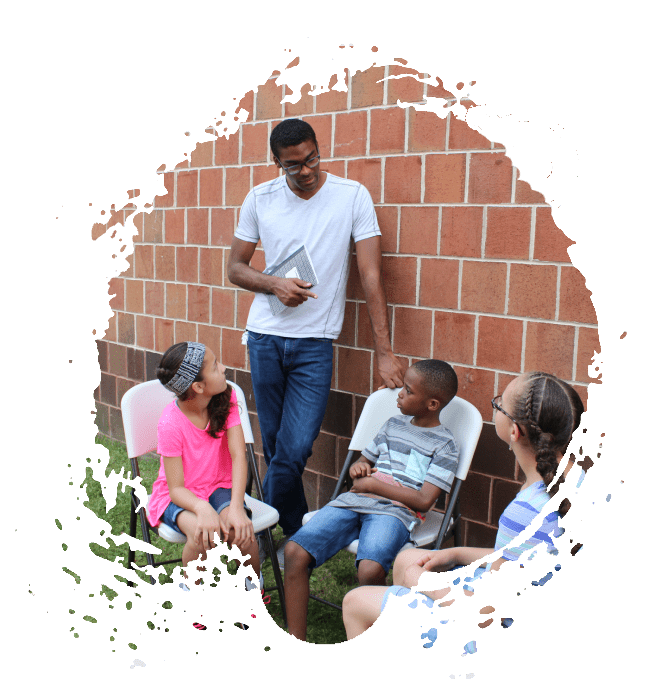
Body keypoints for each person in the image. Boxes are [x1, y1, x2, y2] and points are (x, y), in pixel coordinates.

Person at [227, 118, 406, 563]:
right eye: (293, 166)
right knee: (275, 446)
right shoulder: (260, 198)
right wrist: (273, 285)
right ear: (276, 163)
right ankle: (291, 537)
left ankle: (282, 537)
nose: (306, 171)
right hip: (265, 338)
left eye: (311, 159)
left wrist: (385, 351)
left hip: (314, 345)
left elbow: (371, 276)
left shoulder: (351, 196)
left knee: (295, 447)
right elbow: (234, 267)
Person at [342, 370, 585, 647]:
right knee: (406, 559)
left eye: (498, 405)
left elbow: (485, 612)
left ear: (514, 431)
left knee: (355, 602)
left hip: (490, 634)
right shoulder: (574, 482)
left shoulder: (527, 511)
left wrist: (426, 585)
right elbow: (523, 559)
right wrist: (455, 552)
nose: (495, 408)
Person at [283, 359, 460, 641]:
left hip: (396, 512)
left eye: (408, 391)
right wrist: (359, 467)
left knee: (370, 569)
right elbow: (365, 460)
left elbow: (425, 500)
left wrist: (374, 486)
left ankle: (379, 640)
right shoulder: (392, 425)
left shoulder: (445, 445)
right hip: (355, 501)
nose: (400, 394)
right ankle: (296, 640)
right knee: (294, 552)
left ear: (432, 404)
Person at [147, 341, 266, 628]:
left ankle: (252, 589)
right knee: (202, 536)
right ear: (198, 387)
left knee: (243, 532)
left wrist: (236, 507)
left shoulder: (228, 400)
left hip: (220, 486)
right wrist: (202, 509)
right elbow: (176, 488)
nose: (223, 368)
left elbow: (239, 457)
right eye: (215, 365)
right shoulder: (170, 424)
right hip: (182, 495)